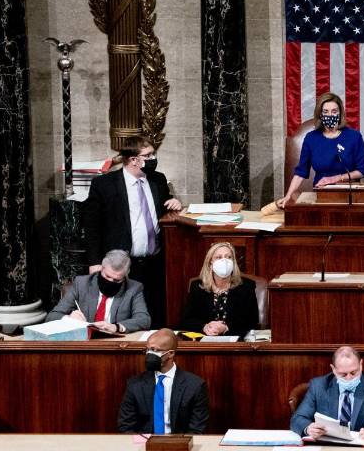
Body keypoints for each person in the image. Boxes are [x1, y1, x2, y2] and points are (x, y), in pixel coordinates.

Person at [82, 135, 182, 328]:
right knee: (123, 316)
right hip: (123, 263)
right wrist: (94, 262)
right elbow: (92, 226)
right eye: (148, 155)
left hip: (155, 261)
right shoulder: (105, 185)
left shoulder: (157, 180)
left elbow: (165, 205)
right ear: (133, 160)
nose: (153, 158)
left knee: (155, 313)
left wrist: (174, 203)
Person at [289, 345, 364, 442]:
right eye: (343, 374)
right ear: (333, 369)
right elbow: (297, 419)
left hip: (360, 446)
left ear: (361, 364)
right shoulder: (318, 386)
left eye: (354, 372)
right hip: (328, 446)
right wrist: (308, 428)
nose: (349, 378)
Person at [277, 92, 364, 208]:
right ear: (320, 114)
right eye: (326, 112)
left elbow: (361, 171)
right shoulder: (311, 138)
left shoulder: (354, 137)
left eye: (334, 111)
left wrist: (336, 178)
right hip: (321, 196)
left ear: (340, 114)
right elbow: (300, 172)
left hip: (348, 196)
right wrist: (288, 196)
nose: (330, 115)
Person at [117, 329, 209, 434]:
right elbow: (125, 426)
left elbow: (197, 428)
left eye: (155, 350)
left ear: (170, 354)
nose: (149, 354)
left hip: (179, 444)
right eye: (148, 350)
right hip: (143, 444)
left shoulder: (195, 386)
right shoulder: (135, 384)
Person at [47, 249, 150, 336]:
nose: (110, 282)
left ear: (125, 275)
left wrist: (116, 327)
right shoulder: (81, 283)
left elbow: (144, 320)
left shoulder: (134, 288)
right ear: (101, 268)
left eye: (117, 280)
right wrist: (69, 318)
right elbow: (51, 316)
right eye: (107, 276)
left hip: (114, 345)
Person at [178, 242, 259, 338]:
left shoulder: (246, 286)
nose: (224, 261)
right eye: (219, 257)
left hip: (235, 342)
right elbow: (187, 320)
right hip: (205, 341)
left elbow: (252, 321)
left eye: (229, 257)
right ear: (210, 262)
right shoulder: (197, 286)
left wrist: (225, 327)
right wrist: (205, 327)